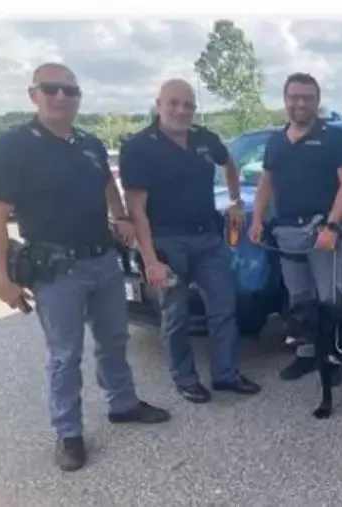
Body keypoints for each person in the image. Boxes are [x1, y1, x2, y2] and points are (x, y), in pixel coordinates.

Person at [0, 62, 171, 472]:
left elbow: (108, 186)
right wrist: (0, 278)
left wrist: (121, 217)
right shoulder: (11, 146)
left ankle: (122, 403)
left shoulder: (89, 143)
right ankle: (68, 433)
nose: (62, 98)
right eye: (52, 89)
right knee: (65, 355)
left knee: (114, 339)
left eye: (70, 91)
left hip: (102, 260)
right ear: (34, 94)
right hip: (55, 269)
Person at [120, 79, 261, 404]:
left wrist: (237, 200)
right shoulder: (139, 147)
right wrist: (150, 259)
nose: (182, 110)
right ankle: (185, 379)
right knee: (175, 315)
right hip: (168, 243)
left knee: (224, 307)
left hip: (208, 239)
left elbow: (229, 163)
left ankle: (226, 375)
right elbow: (136, 210)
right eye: (174, 103)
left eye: (188, 105)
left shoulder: (203, 138)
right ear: (159, 103)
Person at [248, 73, 342, 383]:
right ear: (285, 100)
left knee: (329, 298)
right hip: (286, 233)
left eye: (307, 97)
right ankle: (306, 354)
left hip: (322, 231)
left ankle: (332, 357)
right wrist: (257, 220)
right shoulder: (275, 141)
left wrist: (333, 226)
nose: (300, 103)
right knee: (298, 298)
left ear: (317, 101)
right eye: (294, 97)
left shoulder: (334, 138)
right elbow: (265, 184)